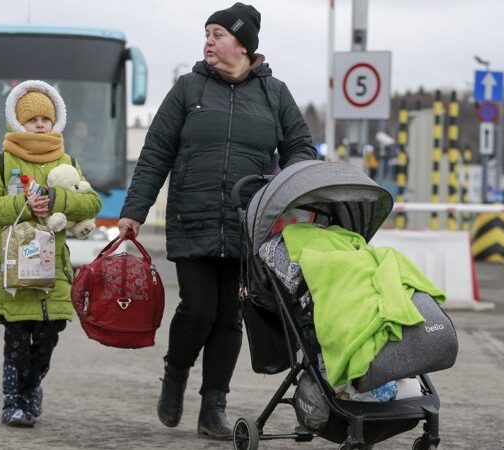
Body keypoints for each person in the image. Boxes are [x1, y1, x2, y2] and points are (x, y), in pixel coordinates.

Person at [117, 3, 316, 440]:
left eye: (217, 34)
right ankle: (175, 375)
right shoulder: (188, 90)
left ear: (242, 44)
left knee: (230, 317)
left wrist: (284, 191)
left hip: (248, 225)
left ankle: (213, 408)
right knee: (198, 308)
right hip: (193, 215)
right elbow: (156, 153)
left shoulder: (274, 94)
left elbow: (301, 147)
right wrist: (134, 211)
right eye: (206, 33)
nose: (208, 41)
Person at [0, 80, 101, 427]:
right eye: (32, 119)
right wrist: (23, 205)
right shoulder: (0, 162)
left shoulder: (67, 160)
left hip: (53, 272)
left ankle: (31, 388)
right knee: (16, 340)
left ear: (56, 121)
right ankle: (14, 402)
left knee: (46, 339)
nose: (40, 124)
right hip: (13, 272)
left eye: (46, 118)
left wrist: (58, 200)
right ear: (17, 121)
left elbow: (92, 202)